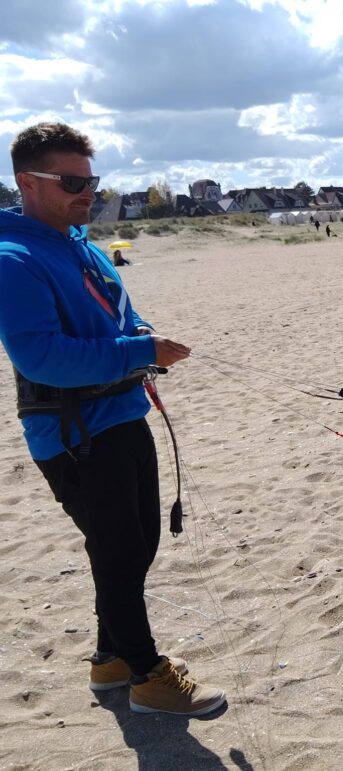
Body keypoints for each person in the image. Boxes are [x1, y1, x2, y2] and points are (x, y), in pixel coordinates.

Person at [0, 122, 225, 716]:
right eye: (72, 181)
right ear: (27, 182)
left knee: (133, 547)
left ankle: (110, 661)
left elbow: (119, 317)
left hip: (122, 417)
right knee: (120, 553)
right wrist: (142, 353)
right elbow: (41, 356)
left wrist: (141, 336)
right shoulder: (12, 258)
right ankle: (148, 676)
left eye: (91, 180)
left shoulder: (84, 247)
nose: (87, 193)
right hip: (75, 436)